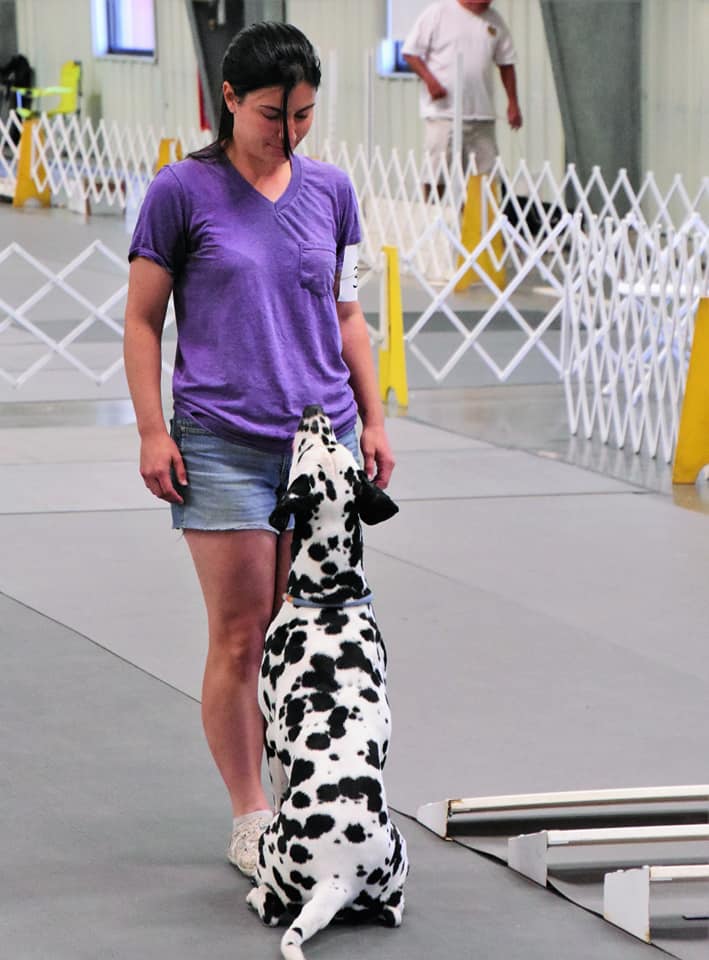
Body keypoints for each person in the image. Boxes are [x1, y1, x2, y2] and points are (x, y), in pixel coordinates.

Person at [123, 20, 394, 879]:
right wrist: (151, 430)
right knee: (242, 637)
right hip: (223, 443)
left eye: (305, 115)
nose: (288, 133)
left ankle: (301, 788)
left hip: (323, 445)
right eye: (272, 115)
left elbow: (346, 314)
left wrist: (374, 421)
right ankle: (251, 814)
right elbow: (141, 320)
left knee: (307, 634)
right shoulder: (180, 192)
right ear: (229, 99)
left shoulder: (332, 192)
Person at [402, 0, 522, 193]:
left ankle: (475, 220)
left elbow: (506, 63)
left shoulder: (494, 20)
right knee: (437, 172)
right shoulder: (438, 12)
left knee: (485, 175)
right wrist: (430, 81)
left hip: (482, 114)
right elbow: (411, 53)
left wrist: (513, 103)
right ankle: (433, 215)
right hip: (443, 112)